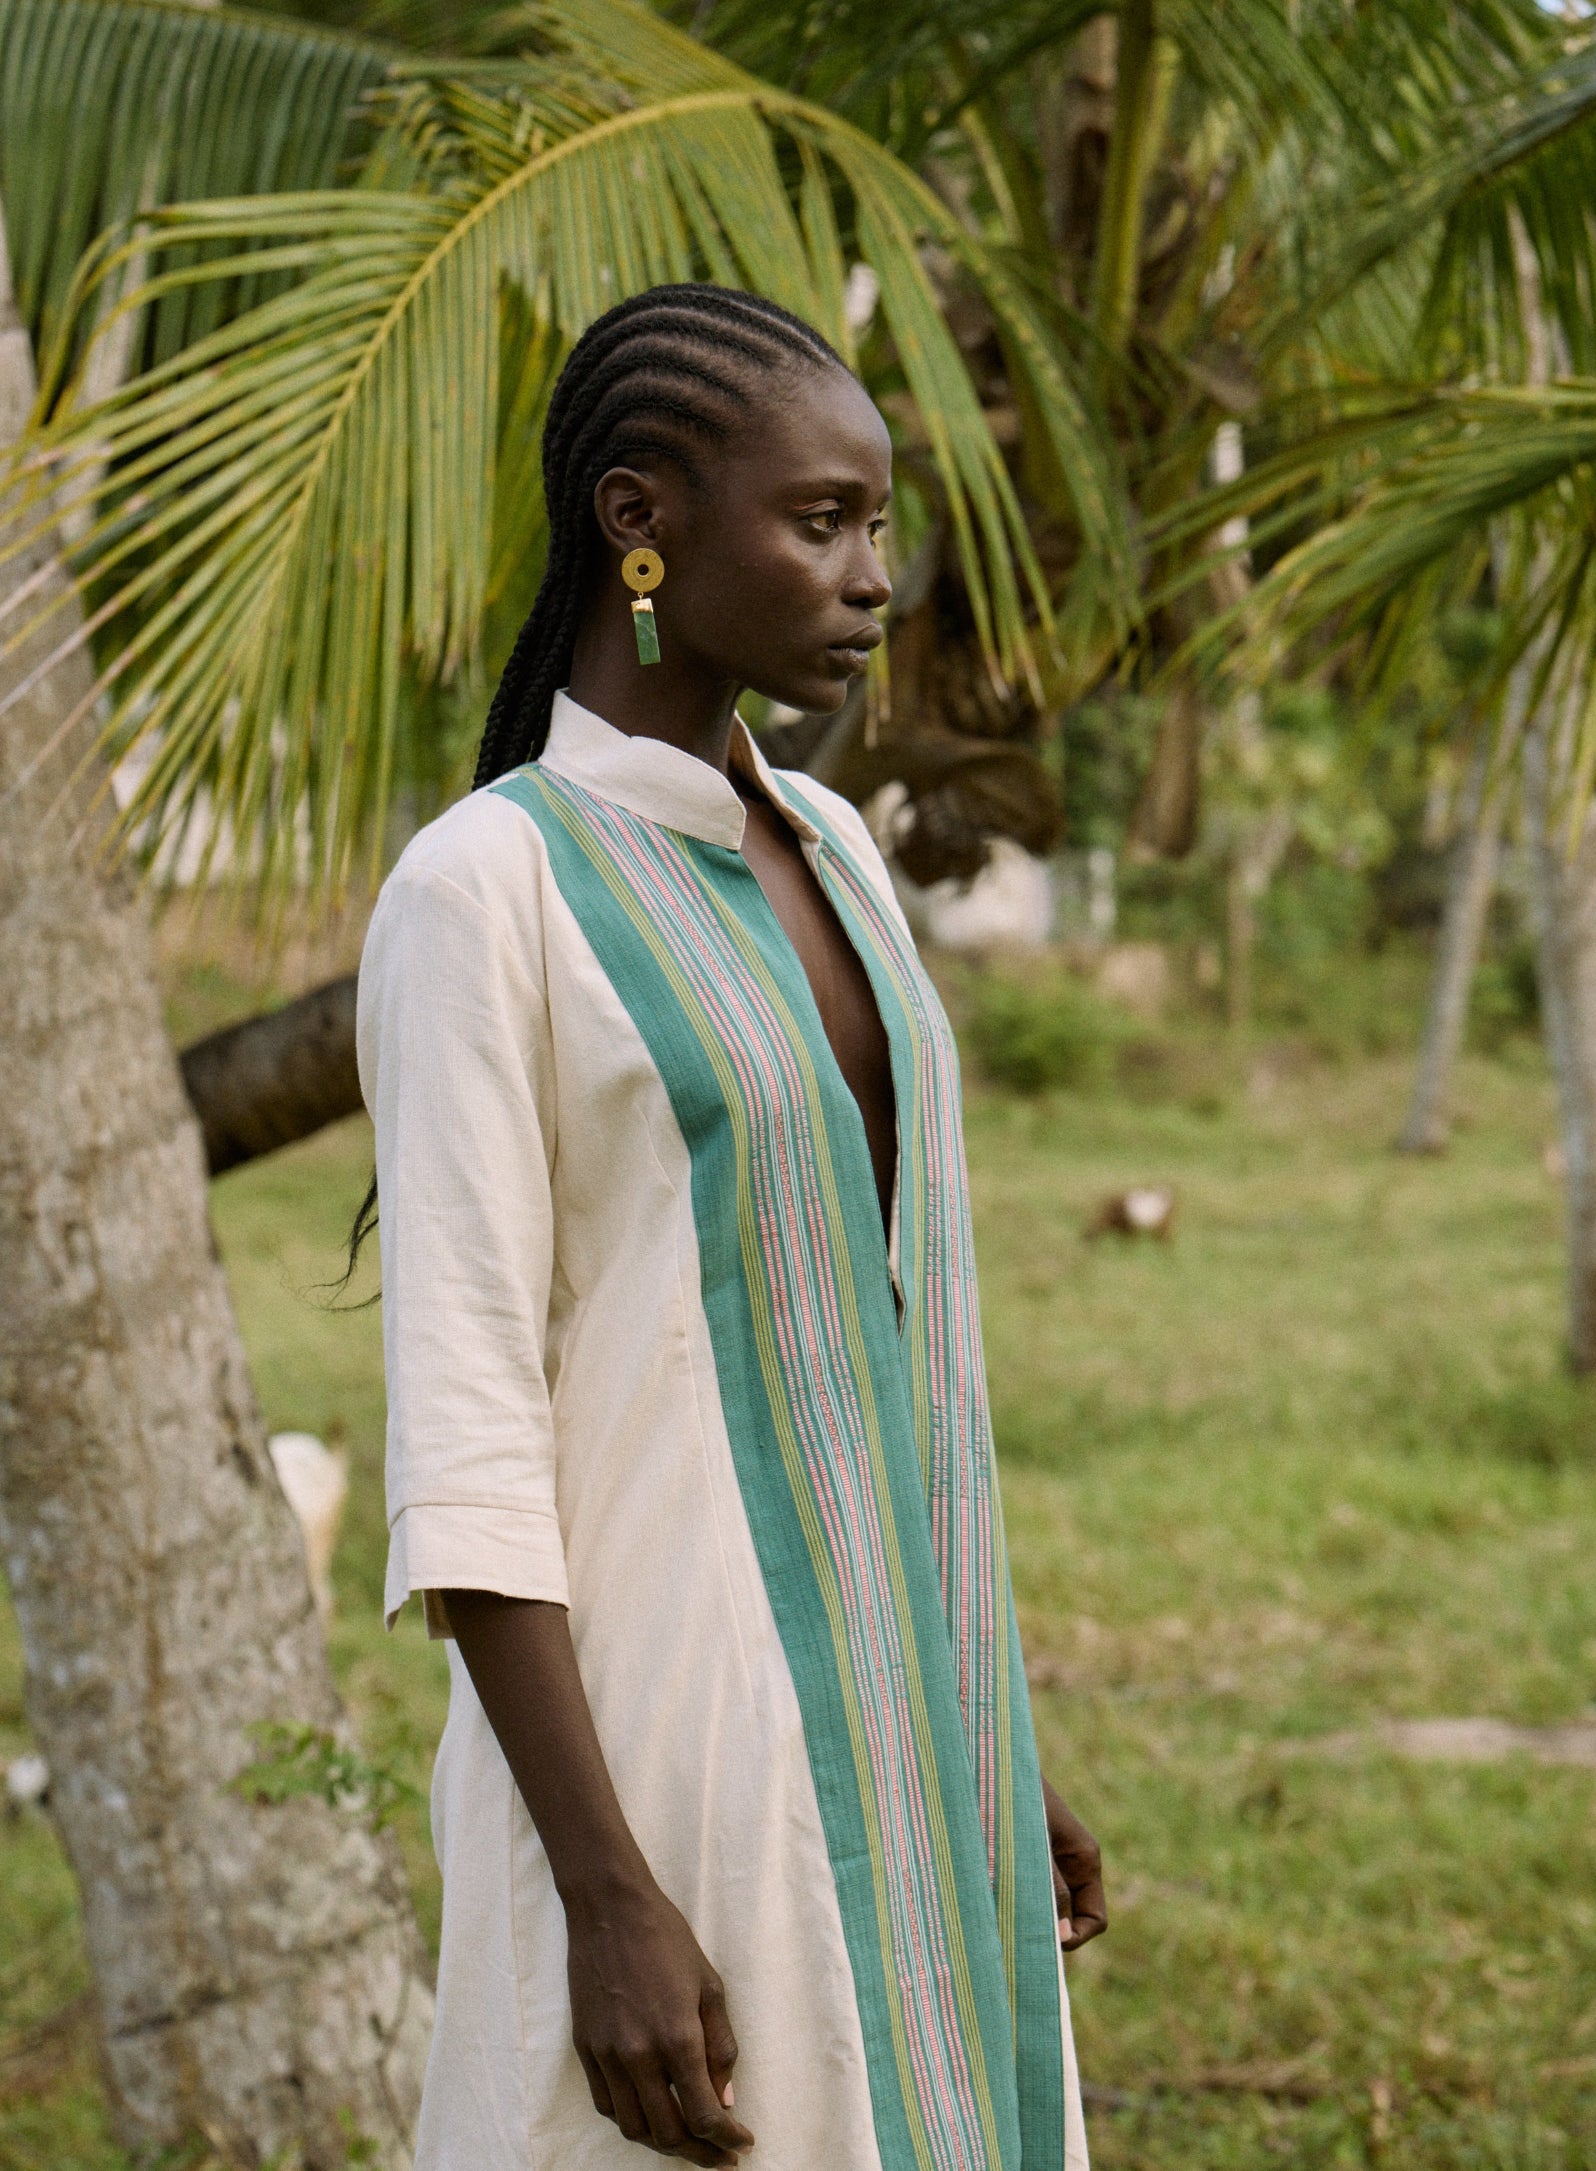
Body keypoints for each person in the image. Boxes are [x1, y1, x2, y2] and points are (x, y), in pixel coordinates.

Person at [357, 282, 1107, 2171]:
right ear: (642, 521)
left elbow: (890, 1343)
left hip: (907, 1697)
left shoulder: (840, 853)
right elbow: (463, 1430)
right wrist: (605, 1891)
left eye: (877, 524)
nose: (873, 578)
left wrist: (982, 1725)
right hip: (671, 1746)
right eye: (823, 521)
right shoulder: (484, 890)